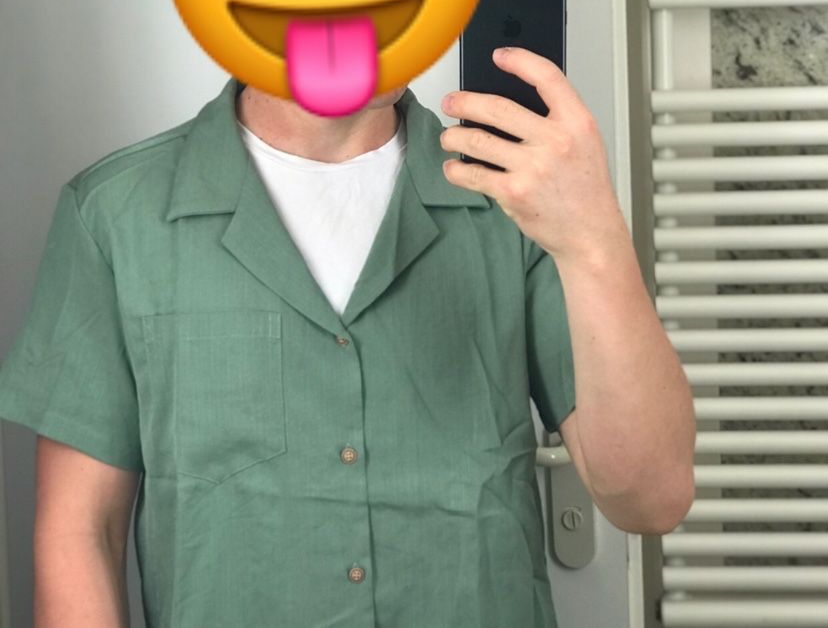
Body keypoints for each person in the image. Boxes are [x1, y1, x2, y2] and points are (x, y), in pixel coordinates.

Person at [0, 52, 696, 628]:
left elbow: (653, 498)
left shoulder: (520, 201)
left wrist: (594, 237)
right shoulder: (115, 213)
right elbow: (80, 531)